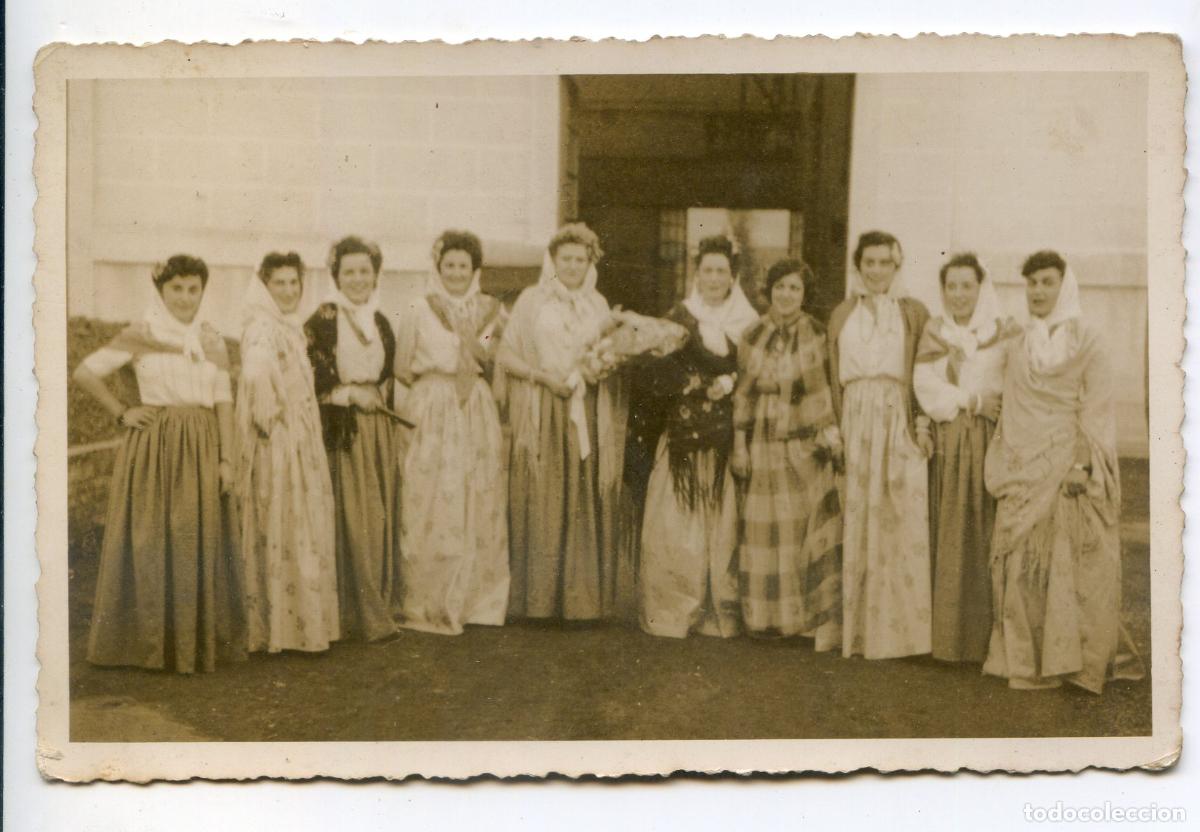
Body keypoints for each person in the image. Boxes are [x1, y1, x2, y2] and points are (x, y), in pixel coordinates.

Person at [74, 254, 246, 673]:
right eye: (176, 289)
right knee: (151, 538)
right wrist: (122, 412)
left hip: (202, 445)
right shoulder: (143, 332)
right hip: (154, 448)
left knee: (193, 538)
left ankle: (192, 644)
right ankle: (150, 645)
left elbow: (224, 401)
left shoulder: (211, 340)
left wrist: (226, 458)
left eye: (193, 289)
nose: (185, 298)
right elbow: (84, 372)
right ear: (161, 290)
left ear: (202, 292)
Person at [983, 250, 1144, 692]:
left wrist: (1080, 463)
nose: (1038, 291)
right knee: (1026, 564)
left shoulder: (1088, 338)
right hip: (1025, 465)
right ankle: (1029, 659)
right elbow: (1009, 403)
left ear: (1064, 285)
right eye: (1031, 283)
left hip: (1070, 466)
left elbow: (1097, 404)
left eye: (1047, 282)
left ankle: (1077, 660)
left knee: (1076, 562)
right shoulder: (1018, 343)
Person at [498, 222, 627, 621]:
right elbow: (506, 355)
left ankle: (580, 601)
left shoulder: (598, 304)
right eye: (565, 258)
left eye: (580, 259)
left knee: (581, 497)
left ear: (590, 263)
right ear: (553, 261)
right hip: (543, 408)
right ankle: (538, 601)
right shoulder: (531, 300)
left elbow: (610, 354)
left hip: (583, 410)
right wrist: (543, 378)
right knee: (544, 495)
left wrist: (593, 372)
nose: (572, 266)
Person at [638, 235, 759, 638]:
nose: (713, 278)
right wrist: (693, 381)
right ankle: (677, 606)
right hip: (687, 436)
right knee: (678, 524)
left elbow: (757, 372)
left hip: (727, 436)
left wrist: (731, 379)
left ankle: (718, 607)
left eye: (721, 271)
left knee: (724, 524)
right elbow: (659, 374)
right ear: (697, 274)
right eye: (706, 270)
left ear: (733, 276)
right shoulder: (680, 315)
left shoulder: (749, 322)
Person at [393, 230, 509, 635]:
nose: (456, 273)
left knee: (477, 496)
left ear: (475, 270)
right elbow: (403, 366)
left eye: (464, 266)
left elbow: (490, 355)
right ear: (438, 269)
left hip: (473, 406)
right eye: (449, 266)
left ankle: (477, 599)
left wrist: (478, 340)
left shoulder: (492, 312)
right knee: (432, 501)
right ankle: (430, 599)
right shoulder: (418, 309)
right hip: (432, 405)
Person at [829, 231, 933, 659]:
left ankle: (902, 634)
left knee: (899, 519)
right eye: (868, 262)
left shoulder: (914, 313)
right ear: (858, 266)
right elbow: (830, 374)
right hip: (855, 417)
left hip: (897, 419)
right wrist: (834, 428)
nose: (875, 271)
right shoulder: (842, 313)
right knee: (856, 521)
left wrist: (922, 424)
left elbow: (926, 372)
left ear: (896, 265)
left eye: (884, 263)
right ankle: (856, 631)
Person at [732, 258, 844, 647]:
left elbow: (821, 389)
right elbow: (742, 396)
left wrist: (827, 438)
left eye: (794, 288)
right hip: (762, 439)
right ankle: (764, 618)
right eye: (780, 287)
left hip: (803, 439)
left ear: (804, 294)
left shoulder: (816, 333)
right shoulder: (752, 334)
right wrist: (739, 446)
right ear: (769, 291)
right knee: (765, 527)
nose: (786, 294)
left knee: (801, 526)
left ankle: (803, 619)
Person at [914, 253, 1019, 663]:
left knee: (983, 529)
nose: (958, 294)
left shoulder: (1004, 333)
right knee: (949, 530)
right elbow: (925, 385)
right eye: (951, 286)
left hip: (991, 441)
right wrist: (970, 400)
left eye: (966, 286)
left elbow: (1015, 383)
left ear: (981, 287)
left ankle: (982, 639)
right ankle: (947, 639)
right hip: (949, 441)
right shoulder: (935, 332)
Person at [235, 252, 339, 653]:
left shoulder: (287, 326)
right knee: (283, 517)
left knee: (299, 521)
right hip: (281, 436)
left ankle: (297, 623)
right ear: (265, 286)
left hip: (299, 431)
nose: (288, 290)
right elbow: (255, 371)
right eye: (279, 283)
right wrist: (270, 413)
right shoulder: (263, 327)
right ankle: (281, 628)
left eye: (294, 282)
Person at [305, 236, 404, 642]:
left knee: (378, 515)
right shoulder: (324, 320)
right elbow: (314, 375)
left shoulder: (380, 321)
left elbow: (388, 374)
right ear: (336, 276)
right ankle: (354, 614)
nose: (358, 279)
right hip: (342, 428)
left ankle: (379, 603)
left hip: (377, 427)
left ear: (376, 275)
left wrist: (377, 399)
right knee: (353, 518)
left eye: (365, 271)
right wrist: (350, 396)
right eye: (350, 272)